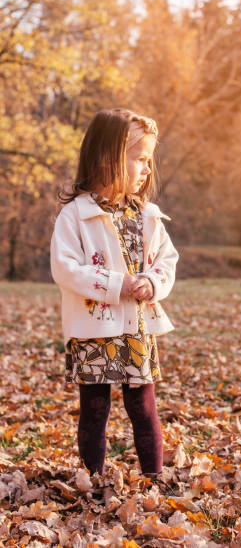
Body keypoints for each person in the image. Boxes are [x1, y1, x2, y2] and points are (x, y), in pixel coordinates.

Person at [49, 108, 179, 491]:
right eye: (139, 159)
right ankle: (93, 479)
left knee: (143, 405)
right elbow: (66, 268)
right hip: (95, 329)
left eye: (148, 160)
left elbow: (167, 261)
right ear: (108, 157)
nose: (146, 169)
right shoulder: (77, 216)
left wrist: (152, 284)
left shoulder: (148, 216)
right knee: (95, 407)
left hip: (137, 327)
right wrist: (116, 284)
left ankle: (153, 477)